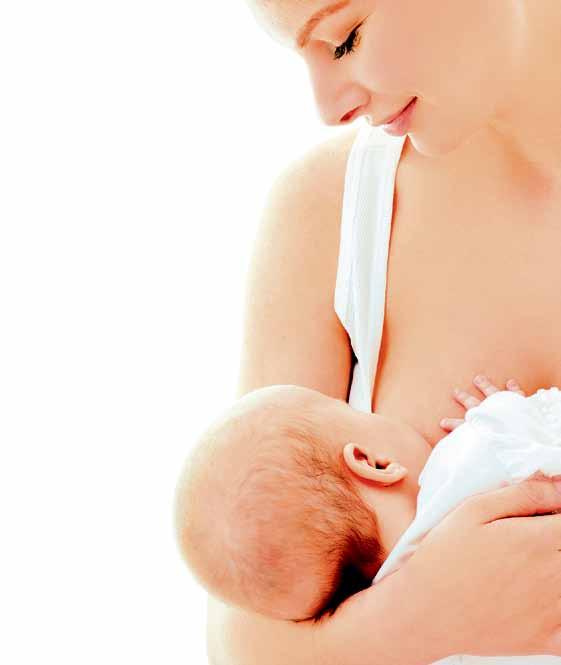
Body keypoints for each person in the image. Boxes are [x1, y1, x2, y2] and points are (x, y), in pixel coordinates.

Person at [206, 2, 561, 664]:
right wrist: (427, 616)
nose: (326, 107)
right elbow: (241, 638)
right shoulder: (333, 211)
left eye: (345, 39)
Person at [176, 375, 561, 637]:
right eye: (358, 413)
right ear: (372, 462)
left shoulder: (403, 630)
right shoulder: (470, 459)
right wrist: (499, 412)